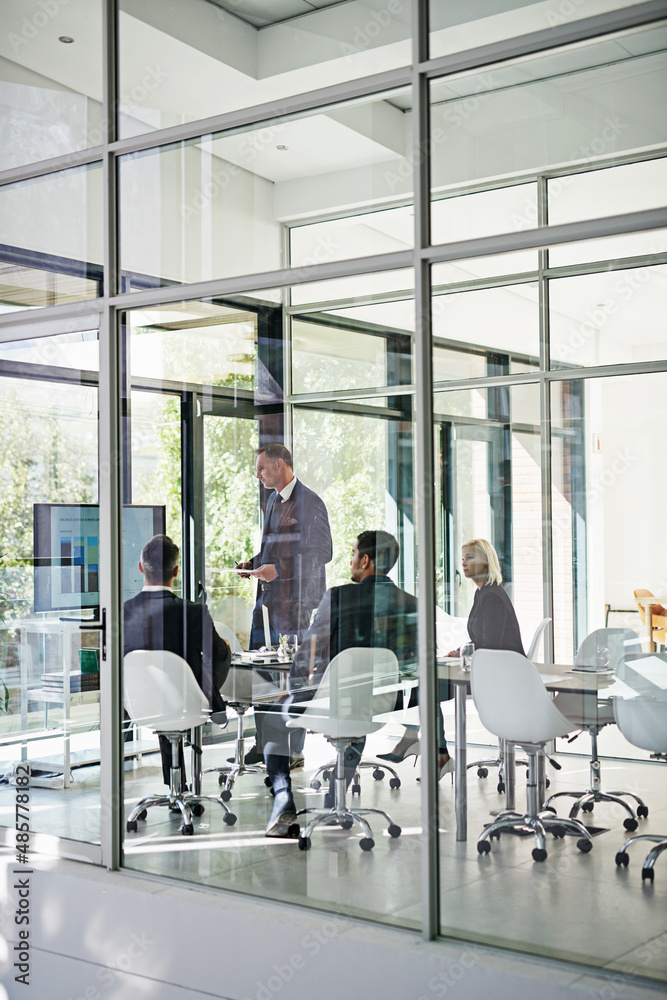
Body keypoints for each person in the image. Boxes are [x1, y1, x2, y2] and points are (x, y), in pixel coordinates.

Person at [260, 530, 438, 837]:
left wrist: (294, 690)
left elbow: (308, 652)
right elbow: (419, 666)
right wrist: (412, 724)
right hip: (383, 705)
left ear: (366, 560)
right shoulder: (412, 604)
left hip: (337, 701)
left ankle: (282, 798)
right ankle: (335, 798)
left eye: (354, 554)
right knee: (356, 713)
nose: (352, 560)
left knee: (272, 715)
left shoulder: (339, 596)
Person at [236, 443, 332, 768]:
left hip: (295, 605)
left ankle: (292, 749)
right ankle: (264, 743)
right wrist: (253, 564)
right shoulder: (272, 500)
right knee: (260, 676)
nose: (258, 474)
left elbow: (322, 552)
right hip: (266, 603)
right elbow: (275, 551)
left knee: (294, 677)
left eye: (262, 468)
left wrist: (277, 570)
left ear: (280, 465)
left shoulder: (311, 502)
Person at [124, 534, 231, 792]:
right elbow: (217, 654)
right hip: (188, 703)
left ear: (141, 568)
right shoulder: (193, 612)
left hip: (139, 705)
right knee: (221, 652)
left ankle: (176, 786)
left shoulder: (122, 611)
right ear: (176, 571)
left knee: (163, 685)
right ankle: (215, 705)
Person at [448, 538, 525, 656]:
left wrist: (463, 654)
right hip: (495, 664)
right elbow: (481, 642)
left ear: (486, 561)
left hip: (506, 667)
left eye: (469, 558)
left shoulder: (492, 596)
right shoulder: (481, 592)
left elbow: (491, 647)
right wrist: (459, 651)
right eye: (463, 559)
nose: (463, 563)